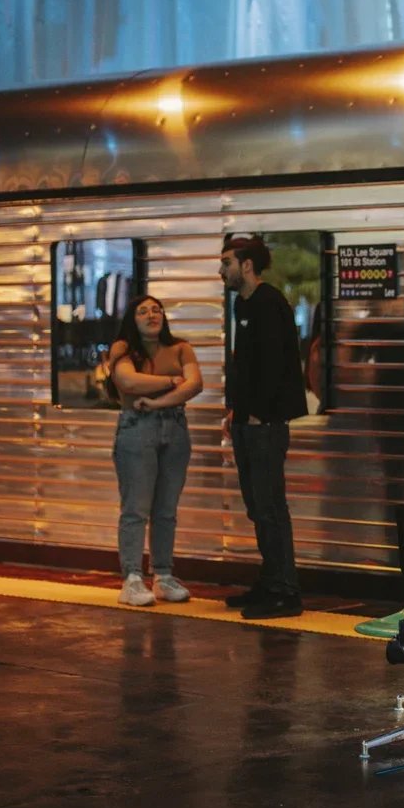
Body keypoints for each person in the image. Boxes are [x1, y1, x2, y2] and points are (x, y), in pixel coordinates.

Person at [219, 234, 308, 619]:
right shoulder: (244, 303)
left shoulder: (270, 303)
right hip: (246, 420)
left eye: (226, 263)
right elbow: (246, 367)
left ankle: (285, 591)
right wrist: (236, 412)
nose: (221, 270)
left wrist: (258, 413)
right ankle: (270, 580)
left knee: (270, 506)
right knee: (257, 506)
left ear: (247, 265)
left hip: (265, 425)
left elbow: (275, 366)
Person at [106, 295, 203, 606]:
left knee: (166, 509)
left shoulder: (181, 347)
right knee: (136, 507)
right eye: (143, 311)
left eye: (157, 309)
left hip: (175, 428)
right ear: (132, 320)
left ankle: (163, 576)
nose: (152, 315)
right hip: (137, 429)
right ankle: (132, 578)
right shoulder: (123, 349)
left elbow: (196, 384)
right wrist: (171, 381)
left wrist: (158, 401)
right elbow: (127, 381)